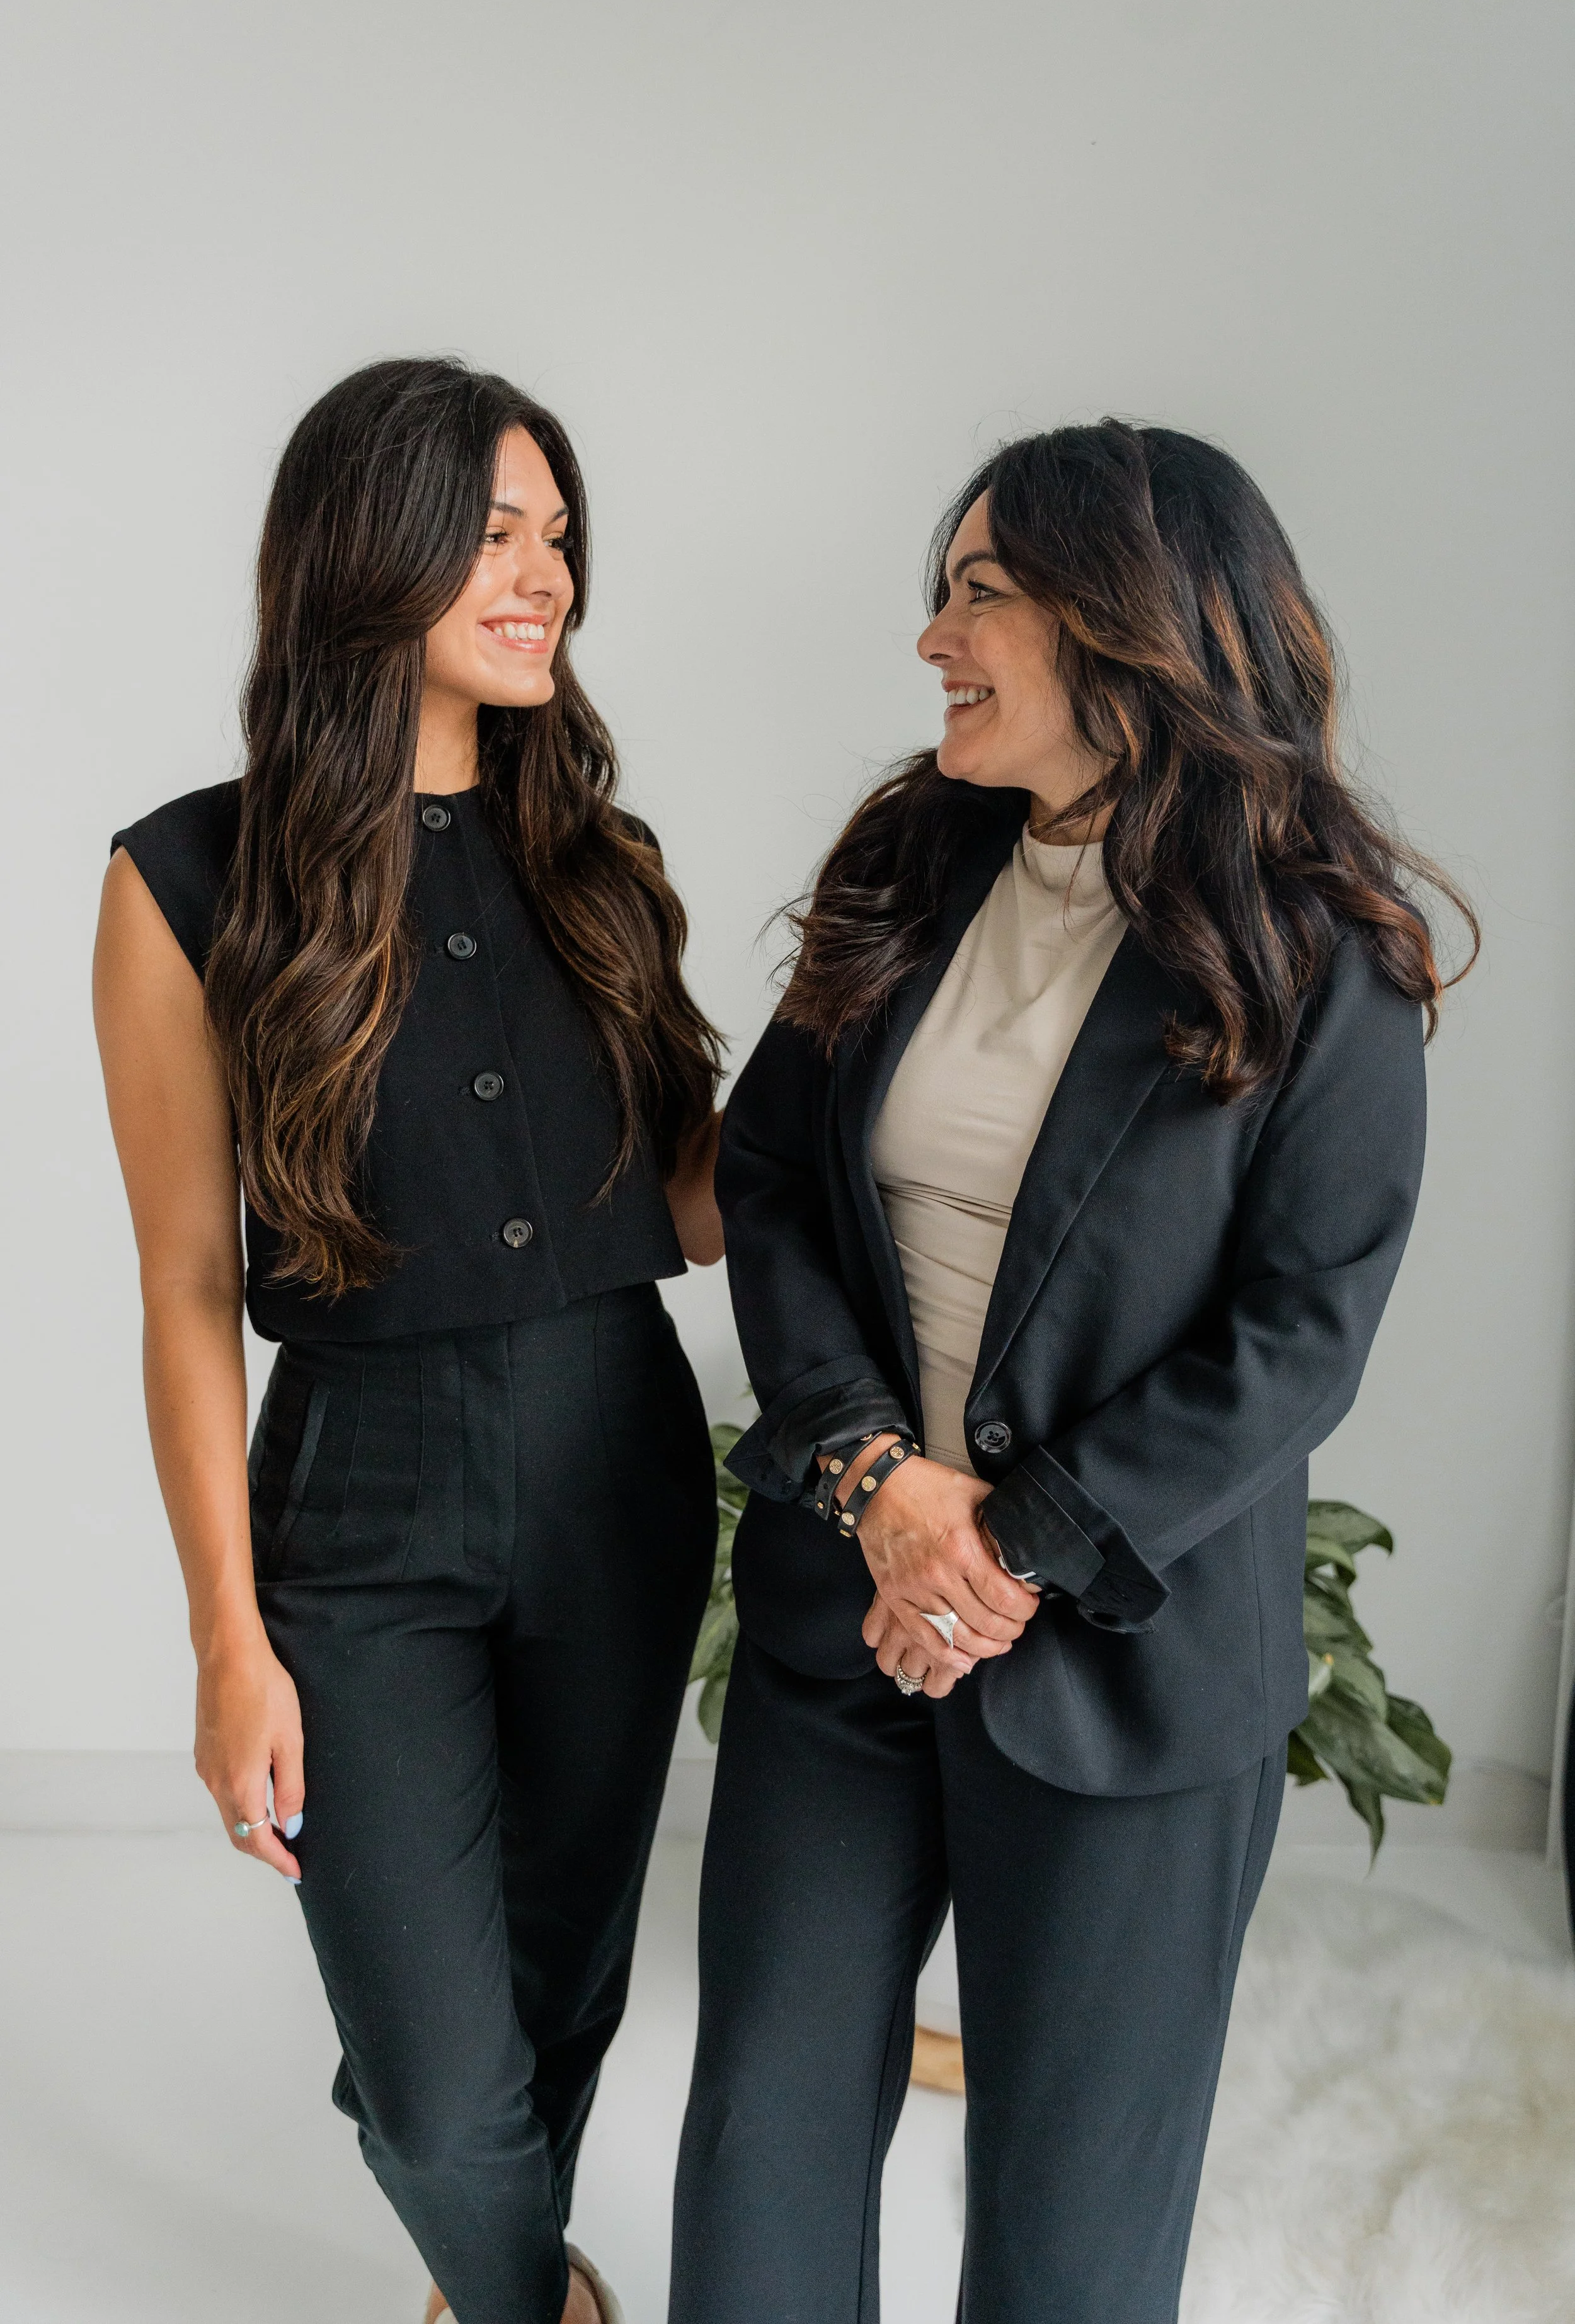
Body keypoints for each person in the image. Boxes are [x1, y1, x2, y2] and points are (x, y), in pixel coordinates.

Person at [670, 422, 1474, 2324]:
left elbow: (1301, 1328)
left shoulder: (1316, 955)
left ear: (1130, 626)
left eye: (978, 591)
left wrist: (1005, 1548)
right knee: (761, 2141)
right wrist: (877, 1480)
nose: (932, 635)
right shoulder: (908, 859)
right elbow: (772, 1173)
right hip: (847, 1622)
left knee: (1070, 2232)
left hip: (1119, 1666)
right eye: (941, 587)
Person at [94, 357, 724, 2324]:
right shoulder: (182, 880)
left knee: (564, 1976)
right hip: (357, 1497)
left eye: (557, 534)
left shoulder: (592, 861)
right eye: (491, 529)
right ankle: (527, 2286)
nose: (542, 573)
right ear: (365, 548)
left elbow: (683, 1201)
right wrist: (225, 1634)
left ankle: (488, 2269)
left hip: (616, 1454)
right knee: (448, 2088)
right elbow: (190, 1286)